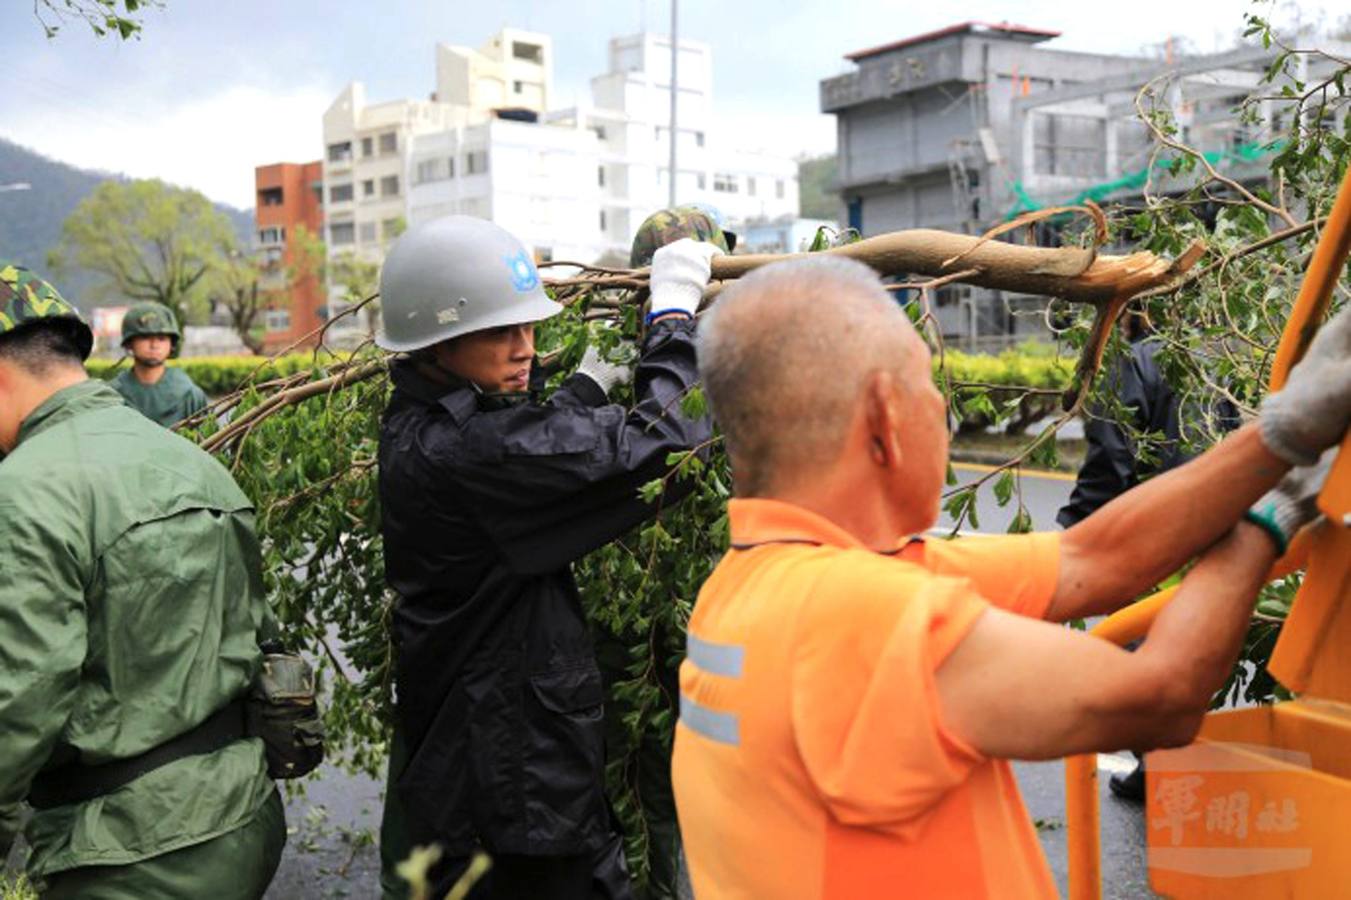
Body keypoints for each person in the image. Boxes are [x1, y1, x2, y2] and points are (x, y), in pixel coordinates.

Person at [672, 256, 1347, 899]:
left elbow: (1093, 560)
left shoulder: (756, 583)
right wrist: (1269, 517)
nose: (938, 408)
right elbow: (1161, 694)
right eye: (929, 386)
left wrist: (1277, 437)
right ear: (884, 414)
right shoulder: (857, 614)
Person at [374, 216, 718, 899]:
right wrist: (672, 321)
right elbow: (671, 445)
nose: (524, 347)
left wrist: (581, 394)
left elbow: (519, 444)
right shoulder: (471, 453)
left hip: (483, 763)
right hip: (516, 784)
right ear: (437, 341)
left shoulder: (422, 421)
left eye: (528, 327)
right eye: (501, 331)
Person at [0, 263, 285, 898]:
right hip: (244, 818)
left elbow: (17, 699)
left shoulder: (25, 491)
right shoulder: (195, 464)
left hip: (128, 856)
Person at [585, 205, 734, 900]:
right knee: (654, 779)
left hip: (677, 613)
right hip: (657, 613)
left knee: (646, 778)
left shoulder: (723, 357)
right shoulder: (688, 364)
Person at [1057, 312, 1240, 801]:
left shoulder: (1129, 364)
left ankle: (1164, 764)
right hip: (1207, 532)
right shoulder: (1209, 359)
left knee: (1138, 652)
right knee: (1184, 647)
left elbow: (1110, 460)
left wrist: (1071, 531)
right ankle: (1162, 763)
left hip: (1150, 533)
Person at [111, 300, 209, 427]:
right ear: (130, 342)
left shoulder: (190, 396)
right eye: (145, 337)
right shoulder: (113, 396)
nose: (154, 345)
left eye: (162, 338)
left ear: (171, 344)